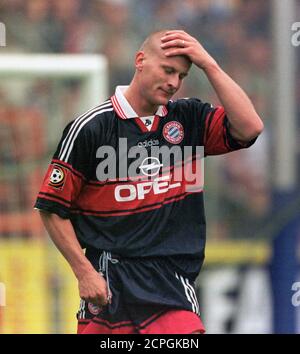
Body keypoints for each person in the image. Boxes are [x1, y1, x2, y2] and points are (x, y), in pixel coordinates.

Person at [34, 29, 264, 334]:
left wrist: (210, 65)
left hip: (170, 282)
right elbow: (52, 207)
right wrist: (84, 272)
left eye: (181, 75)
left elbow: (250, 127)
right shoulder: (91, 128)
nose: (173, 82)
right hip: (110, 279)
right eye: (168, 70)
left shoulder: (188, 119)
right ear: (140, 60)